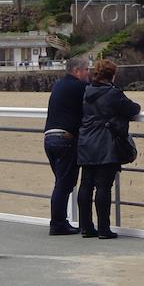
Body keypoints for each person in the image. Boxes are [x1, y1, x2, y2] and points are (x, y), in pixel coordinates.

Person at [76, 59, 141, 239]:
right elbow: (133, 109)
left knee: (86, 185)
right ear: (112, 75)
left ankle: (86, 227)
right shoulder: (112, 94)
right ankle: (104, 228)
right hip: (105, 143)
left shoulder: (87, 91)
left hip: (86, 141)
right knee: (103, 186)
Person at [42, 58, 90, 235]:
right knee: (63, 185)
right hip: (65, 139)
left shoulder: (58, 85)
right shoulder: (79, 86)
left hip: (49, 138)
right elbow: (96, 96)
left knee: (62, 183)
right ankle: (58, 224)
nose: (88, 73)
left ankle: (60, 221)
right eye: (86, 70)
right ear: (77, 71)